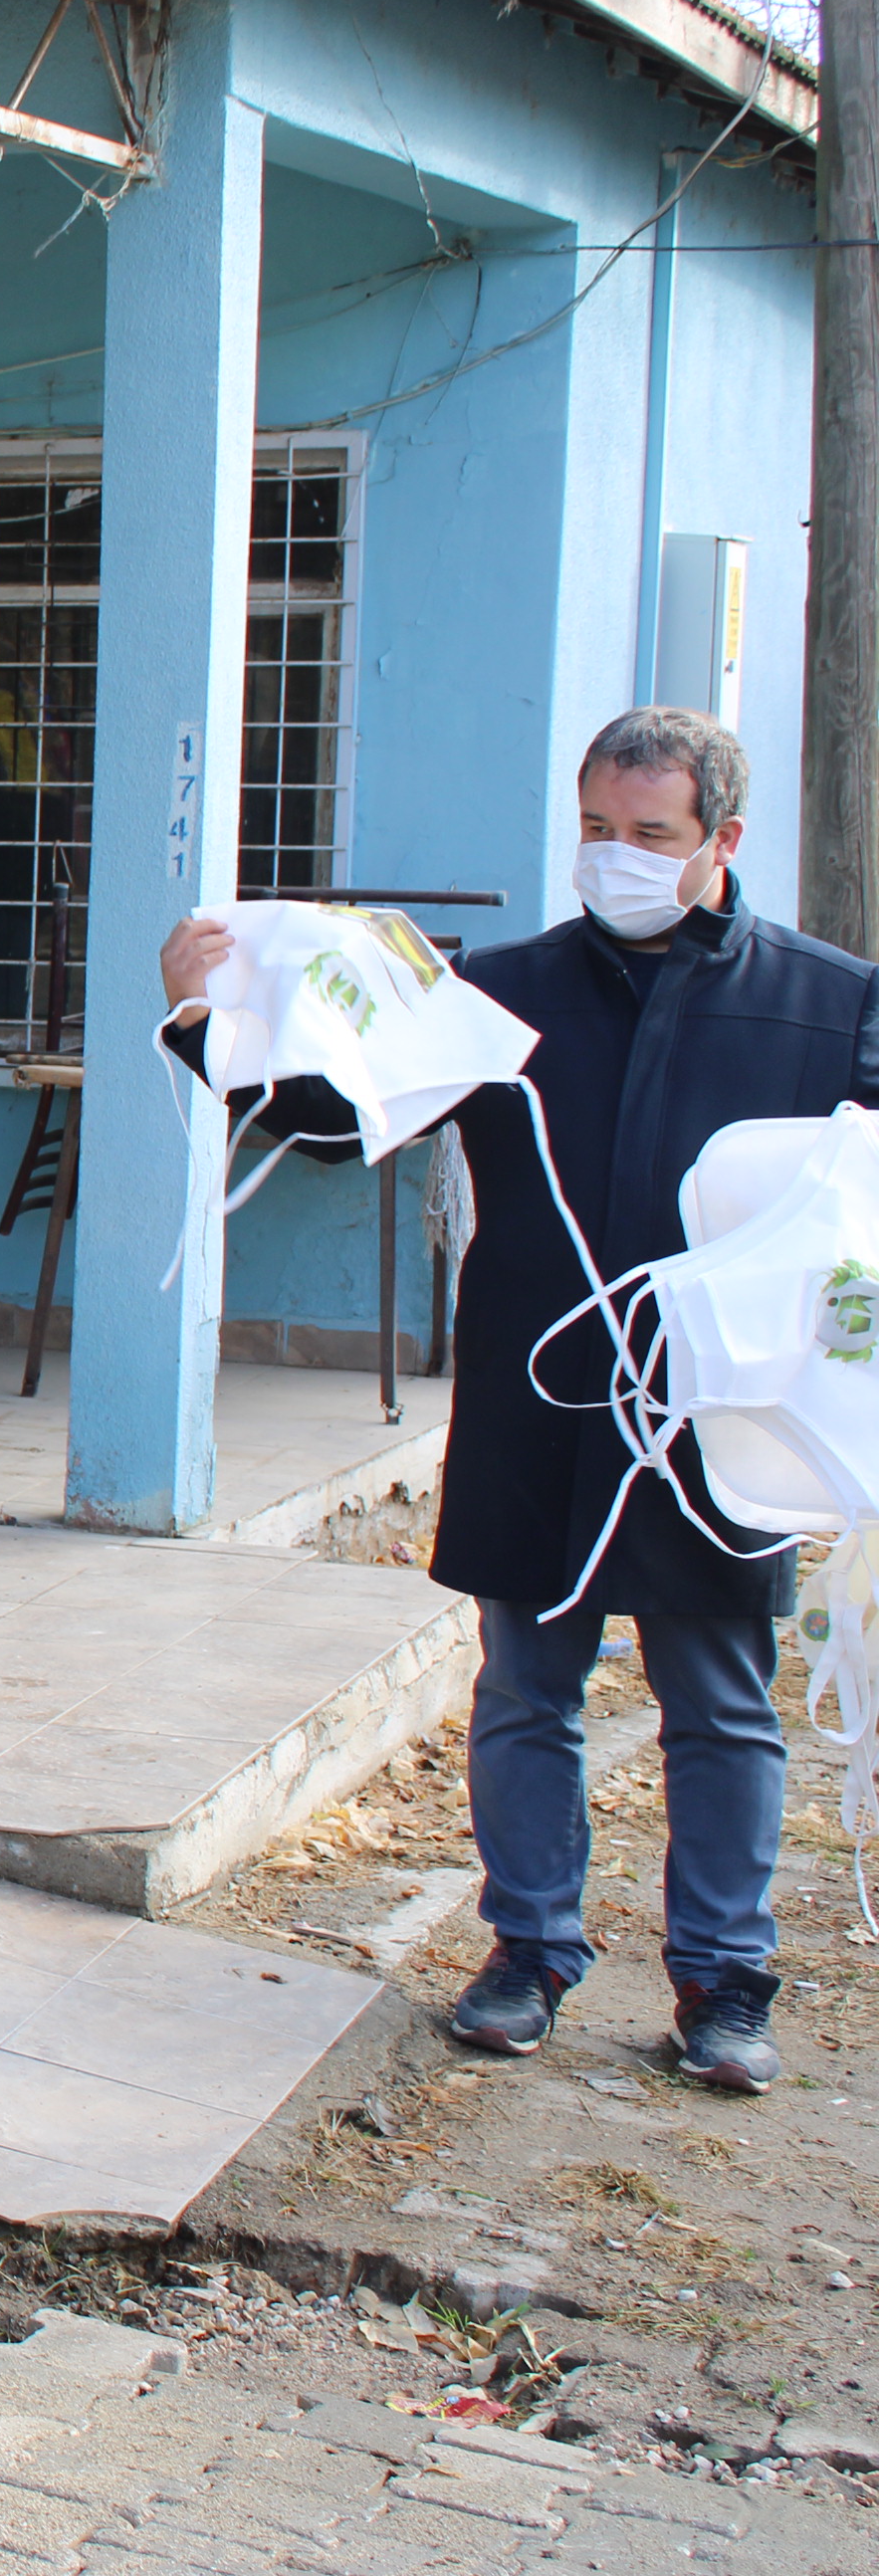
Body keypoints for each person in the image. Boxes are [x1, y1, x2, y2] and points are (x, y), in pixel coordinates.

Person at [159, 707, 877, 2097]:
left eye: (649, 837)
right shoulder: (498, 994)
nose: (613, 859)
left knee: (719, 1699)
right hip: (537, 1395)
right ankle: (527, 1950)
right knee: (528, 1689)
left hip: (716, 1418)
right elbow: (331, 1123)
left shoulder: (828, 1003)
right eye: (595, 831)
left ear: (724, 841)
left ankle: (725, 1978)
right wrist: (210, 1019)